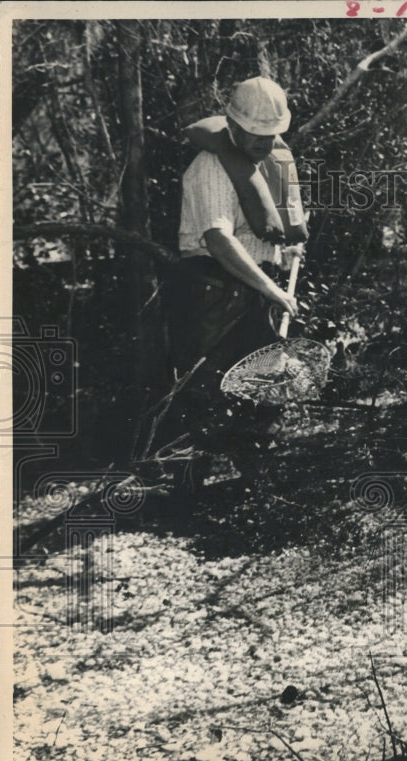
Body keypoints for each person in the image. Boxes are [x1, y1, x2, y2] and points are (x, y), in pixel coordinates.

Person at [161, 76, 306, 527]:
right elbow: (219, 241)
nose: (266, 143)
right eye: (257, 136)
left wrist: (287, 253)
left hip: (261, 288)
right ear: (233, 127)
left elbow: (279, 227)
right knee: (204, 395)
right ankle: (183, 505)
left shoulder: (276, 160)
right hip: (213, 291)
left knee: (264, 389)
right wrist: (271, 289)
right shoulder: (210, 165)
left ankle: (261, 498)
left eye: (272, 135)